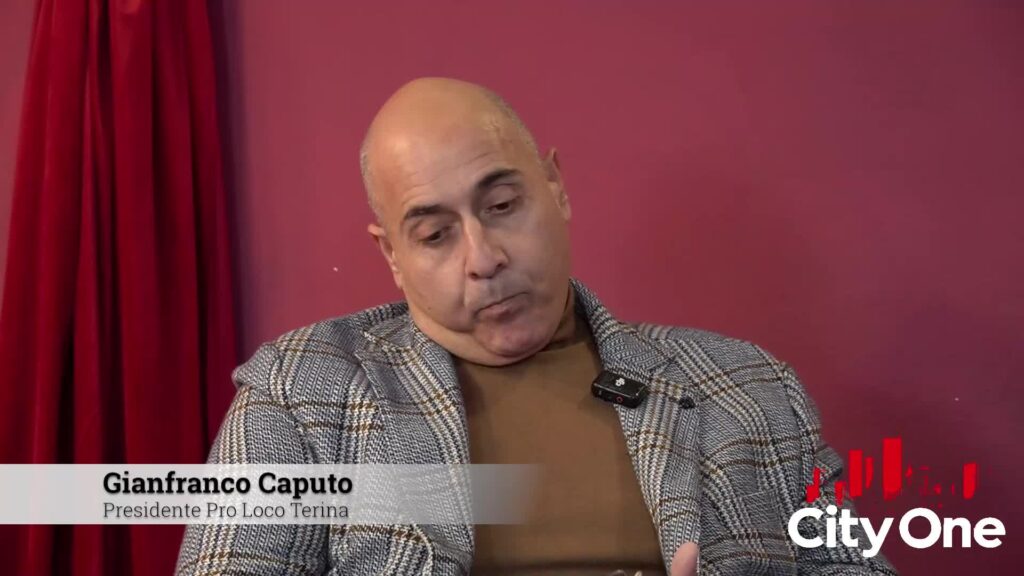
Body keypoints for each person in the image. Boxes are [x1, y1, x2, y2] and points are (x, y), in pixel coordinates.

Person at [177, 78, 898, 575]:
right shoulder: (300, 392)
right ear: (391, 255)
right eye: (434, 235)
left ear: (555, 187)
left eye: (501, 207)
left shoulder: (752, 389)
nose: (483, 259)